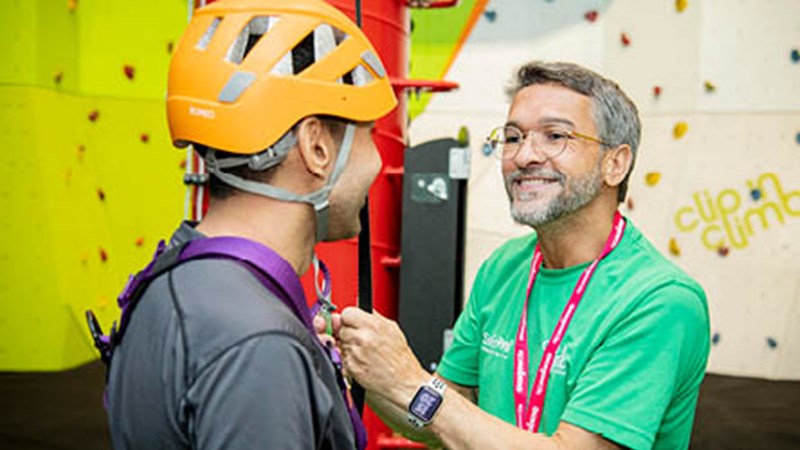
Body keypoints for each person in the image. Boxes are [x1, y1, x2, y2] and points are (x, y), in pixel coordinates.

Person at [335, 61, 710, 450]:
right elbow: (430, 421)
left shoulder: (660, 301)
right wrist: (369, 367)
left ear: (615, 163)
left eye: (555, 135)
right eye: (513, 137)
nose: (525, 155)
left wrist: (409, 380)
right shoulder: (503, 268)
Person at [100, 0, 396, 449]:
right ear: (316, 146)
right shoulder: (258, 343)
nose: (376, 162)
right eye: (369, 133)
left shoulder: (176, 278)